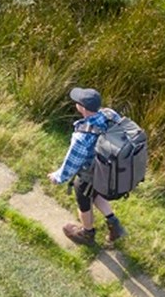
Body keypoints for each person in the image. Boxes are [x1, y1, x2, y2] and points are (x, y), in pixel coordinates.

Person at [50, 87, 127, 245]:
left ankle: (87, 234)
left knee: (84, 201)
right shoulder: (110, 114)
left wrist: (57, 177)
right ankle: (114, 225)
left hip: (91, 174)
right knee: (95, 193)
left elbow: (72, 163)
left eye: (77, 102)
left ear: (82, 108)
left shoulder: (82, 135)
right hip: (110, 171)